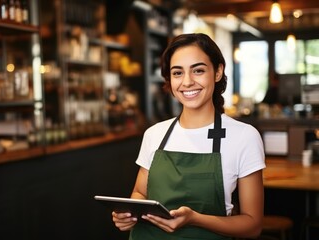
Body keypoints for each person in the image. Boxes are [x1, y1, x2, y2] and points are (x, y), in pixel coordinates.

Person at [112, 33, 266, 240]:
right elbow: (140, 193)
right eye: (177, 73)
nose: (187, 82)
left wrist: (195, 218)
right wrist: (129, 216)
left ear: (218, 72)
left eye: (198, 70)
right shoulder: (155, 134)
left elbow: (252, 225)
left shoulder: (244, 137)